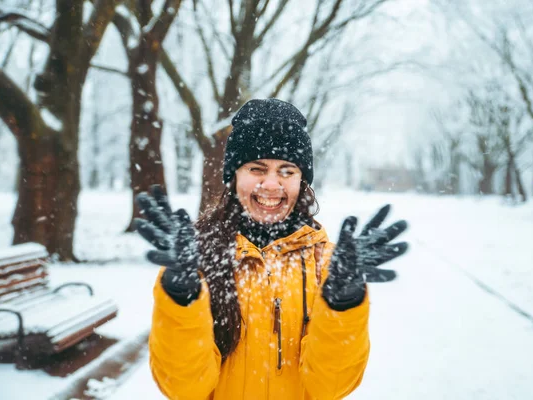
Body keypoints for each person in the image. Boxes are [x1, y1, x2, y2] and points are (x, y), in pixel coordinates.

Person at [135, 98, 409, 400]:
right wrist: (182, 298)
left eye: (287, 171)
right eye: (257, 168)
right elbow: (184, 388)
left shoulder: (327, 265)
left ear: (302, 179)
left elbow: (330, 387)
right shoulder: (195, 258)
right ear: (233, 176)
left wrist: (343, 303)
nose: (271, 184)